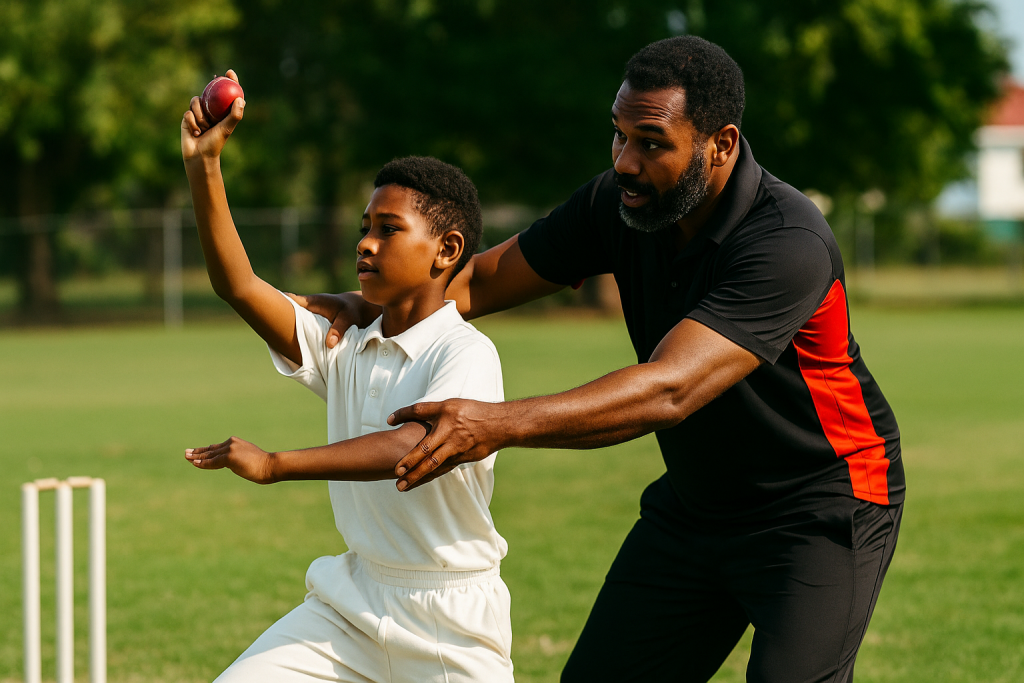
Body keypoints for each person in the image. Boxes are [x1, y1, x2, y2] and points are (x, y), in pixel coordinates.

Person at [299, 36, 905, 682]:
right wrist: (370, 302)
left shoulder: (787, 241)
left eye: (650, 142)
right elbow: (473, 282)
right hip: (699, 506)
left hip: (821, 505)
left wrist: (495, 422)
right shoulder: (619, 206)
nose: (624, 161)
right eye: (617, 136)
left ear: (721, 145)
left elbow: (667, 390)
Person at [179, 72, 514, 683]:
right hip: (350, 604)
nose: (365, 243)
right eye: (364, 227)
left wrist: (278, 463)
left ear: (446, 250)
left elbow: (414, 446)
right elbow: (239, 286)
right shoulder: (346, 341)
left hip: (448, 616)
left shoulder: (466, 353)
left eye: (389, 230)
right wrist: (205, 164)